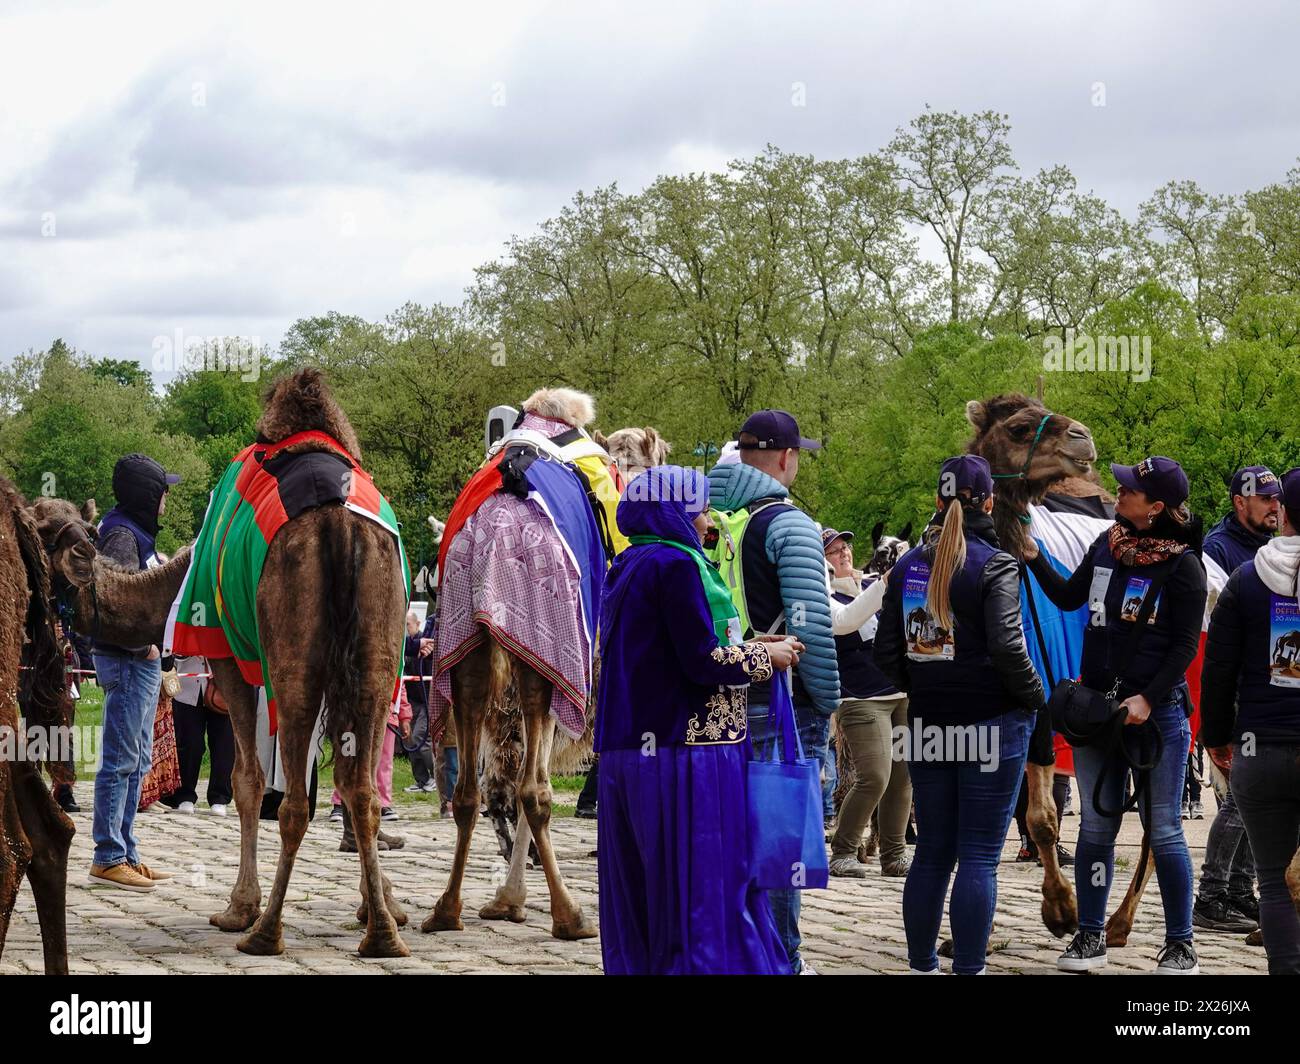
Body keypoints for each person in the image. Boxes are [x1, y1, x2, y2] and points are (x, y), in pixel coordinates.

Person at [595, 464, 800, 975]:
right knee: (700, 885)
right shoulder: (677, 565)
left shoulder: (628, 563)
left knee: (647, 887)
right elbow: (701, 663)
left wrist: (748, 645)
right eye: (701, 509)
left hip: (632, 752)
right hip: (686, 754)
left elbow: (672, 650)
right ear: (675, 511)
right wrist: (762, 661)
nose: (709, 521)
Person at [1026, 455, 1207, 974]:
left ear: (1155, 508)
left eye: (1128, 490)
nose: (1117, 494)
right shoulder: (1106, 545)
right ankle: (1089, 937)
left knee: (1165, 829)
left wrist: (1147, 698)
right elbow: (1066, 596)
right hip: (1098, 712)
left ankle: (1181, 943)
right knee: (1096, 828)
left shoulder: (1184, 567)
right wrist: (1034, 555)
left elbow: (1183, 647)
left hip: (1158, 718)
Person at [874, 456, 1045, 975]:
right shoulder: (996, 564)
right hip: (991, 723)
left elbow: (884, 652)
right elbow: (1010, 648)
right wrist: (1035, 698)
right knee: (977, 856)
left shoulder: (906, 567)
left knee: (930, 854)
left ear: (936, 500)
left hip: (927, 726)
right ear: (989, 502)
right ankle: (969, 967)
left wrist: (923, 682)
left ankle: (922, 964)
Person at [707, 409, 840, 974]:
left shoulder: (699, 516)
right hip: (778, 702)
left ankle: (729, 949)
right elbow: (810, 625)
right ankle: (782, 958)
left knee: (723, 834)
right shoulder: (790, 525)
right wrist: (828, 701)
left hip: (713, 697)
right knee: (780, 838)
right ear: (787, 457)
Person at [1200, 465, 1300, 974]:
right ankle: (1218, 890)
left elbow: (1217, 668)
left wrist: (1216, 738)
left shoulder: (1246, 577)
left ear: (1283, 512)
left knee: (1273, 881)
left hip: (1259, 745)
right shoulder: (1226, 557)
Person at [1193, 466, 1281, 932]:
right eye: (1264, 499)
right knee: (1240, 800)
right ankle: (1210, 896)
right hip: (1240, 694)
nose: (1273, 506)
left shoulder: (1272, 547)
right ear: (1239, 502)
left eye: (1277, 499)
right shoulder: (1217, 550)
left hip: (1272, 688)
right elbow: (1217, 634)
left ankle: (1240, 891)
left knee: (1256, 800)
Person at [88, 453, 180, 892]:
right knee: (120, 761)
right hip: (126, 660)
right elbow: (114, 603)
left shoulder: (131, 531)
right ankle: (107, 856)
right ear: (149, 494)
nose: (167, 501)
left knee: (137, 759)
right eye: (164, 492)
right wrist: (141, 645)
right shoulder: (122, 535)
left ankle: (126, 851)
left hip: (136, 661)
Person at [822, 527, 912, 878]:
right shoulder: (824, 595)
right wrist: (885, 584)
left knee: (903, 776)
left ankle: (894, 852)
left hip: (900, 692)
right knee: (875, 775)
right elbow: (847, 622)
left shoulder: (873, 583)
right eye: (833, 551)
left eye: (846, 547)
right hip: (860, 697)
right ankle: (844, 848)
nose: (843, 553)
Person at [162, 655, 234, 815]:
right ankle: (184, 795)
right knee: (188, 743)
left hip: (222, 686)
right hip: (186, 686)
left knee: (224, 744)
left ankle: (220, 797)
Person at [400, 609, 438, 794]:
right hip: (411, 699)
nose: (406, 628)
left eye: (408, 624)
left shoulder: (426, 644)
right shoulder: (404, 646)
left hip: (426, 699)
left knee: (421, 739)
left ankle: (435, 777)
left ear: (416, 624)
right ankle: (421, 779)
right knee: (409, 740)